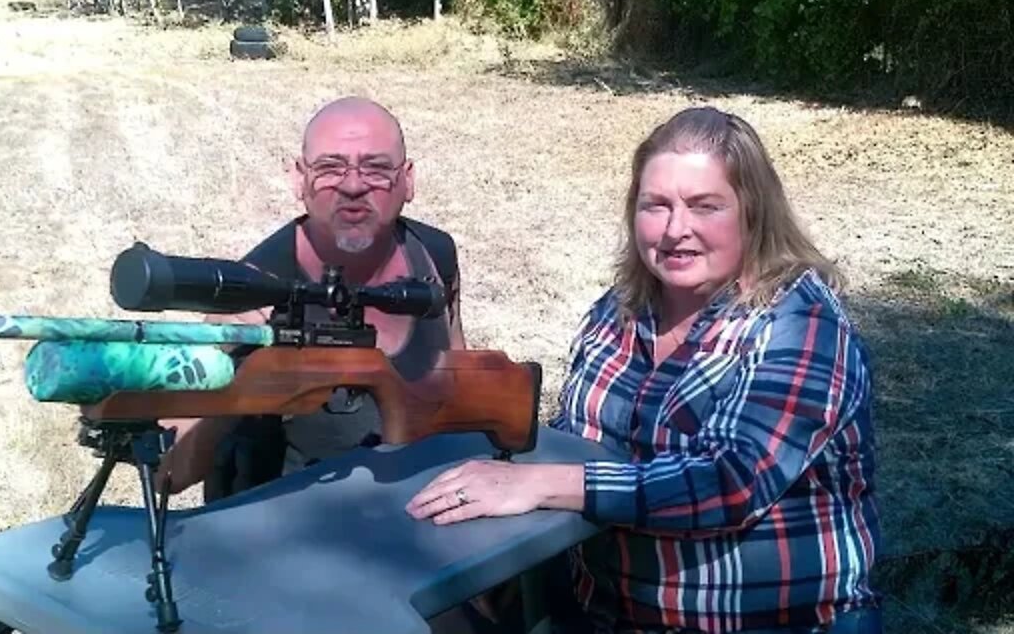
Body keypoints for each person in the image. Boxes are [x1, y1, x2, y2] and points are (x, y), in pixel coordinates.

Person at [407, 107, 883, 634]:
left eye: (705, 206)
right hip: (606, 613)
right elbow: (576, 442)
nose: (677, 230)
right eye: (656, 205)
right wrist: (516, 561)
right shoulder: (621, 310)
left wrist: (541, 483)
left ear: (753, 212)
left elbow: (731, 482)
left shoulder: (800, 323)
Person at [159, 95, 466, 499]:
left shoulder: (434, 255)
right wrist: (233, 379)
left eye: (376, 168)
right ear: (298, 179)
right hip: (290, 529)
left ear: (407, 180)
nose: (353, 186)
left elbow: (459, 377)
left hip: (417, 512)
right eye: (329, 168)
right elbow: (168, 477)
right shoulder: (254, 290)